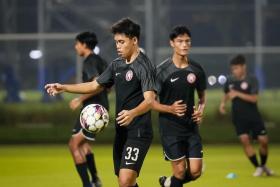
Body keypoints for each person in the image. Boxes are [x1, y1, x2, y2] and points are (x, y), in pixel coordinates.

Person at [45, 18, 156, 187]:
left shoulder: (144, 66)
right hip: (122, 132)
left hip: (139, 131)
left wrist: (133, 112)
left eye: (121, 42)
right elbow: (93, 85)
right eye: (116, 42)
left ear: (134, 40)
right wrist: (64, 87)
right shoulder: (116, 65)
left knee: (125, 181)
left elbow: (149, 100)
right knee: (124, 181)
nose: (118, 46)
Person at [152, 25, 206, 187]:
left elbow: (202, 98)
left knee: (196, 171)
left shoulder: (196, 69)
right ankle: (172, 182)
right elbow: (150, 102)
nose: (184, 45)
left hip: (191, 127)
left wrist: (200, 111)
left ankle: (168, 183)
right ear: (172, 43)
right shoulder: (161, 71)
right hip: (170, 128)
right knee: (180, 171)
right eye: (180, 41)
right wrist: (170, 108)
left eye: (187, 41)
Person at [219, 54, 274, 177]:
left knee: (263, 141)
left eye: (236, 68)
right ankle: (258, 167)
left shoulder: (252, 79)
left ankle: (263, 165)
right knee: (245, 140)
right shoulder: (230, 80)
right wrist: (222, 104)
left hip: (254, 116)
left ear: (244, 67)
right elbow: (227, 93)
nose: (234, 71)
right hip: (238, 117)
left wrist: (238, 94)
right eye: (232, 69)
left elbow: (254, 99)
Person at [68, 31, 109, 187]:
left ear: (84, 45)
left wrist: (80, 98)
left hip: (93, 111)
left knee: (73, 144)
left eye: (77, 44)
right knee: (83, 144)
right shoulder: (101, 61)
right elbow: (108, 86)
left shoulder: (89, 61)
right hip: (98, 108)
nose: (76, 47)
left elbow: (96, 85)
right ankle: (95, 180)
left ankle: (88, 184)